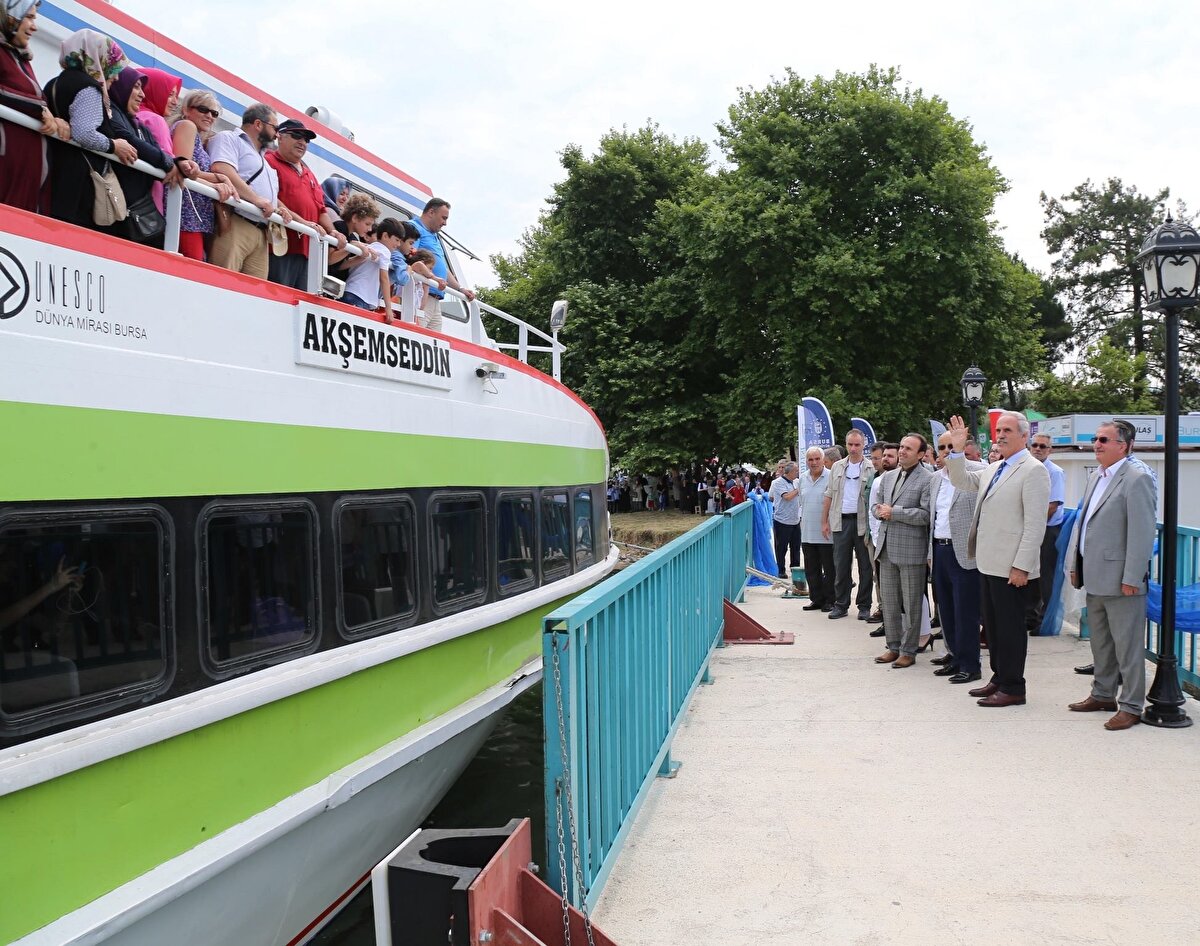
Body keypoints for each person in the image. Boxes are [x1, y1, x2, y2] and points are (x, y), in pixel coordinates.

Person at [946, 412, 1050, 708]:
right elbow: (962, 480)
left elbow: (1034, 525)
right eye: (998, 430)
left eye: (1007, 430)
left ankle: (1014, 687)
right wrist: (955, 450)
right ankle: (999, 677)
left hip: (1012, 568)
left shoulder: (1033, 470)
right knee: (992, 628)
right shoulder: (995, 468)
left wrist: (1022, 566)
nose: (1000, 435)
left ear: (1023, 435)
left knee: (1011, 629)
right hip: (988, 563)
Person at [1065, 421, 1156, 730]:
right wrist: (1075, 565)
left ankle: (1132, 705)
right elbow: (1084, 524)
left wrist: (1132, 576)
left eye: (1104, 439)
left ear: (1125, 445)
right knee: (1101, 642)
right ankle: (1103, 694)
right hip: (1095, 574)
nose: (1097, 444)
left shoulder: (1137, 478)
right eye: (1095, 438)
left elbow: (1142, 533)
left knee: (1127, 646)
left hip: (1121, 579)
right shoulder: (1097, 476)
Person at [43, 28, 137, 228]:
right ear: (97, 57)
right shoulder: (88, 87)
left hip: (54, 169)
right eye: (112, 65)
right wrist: (114, 145)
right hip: (78, 183)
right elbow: (84, 133)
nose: (116, 77)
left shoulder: (54, 83)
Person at [103, 65, 190, 246]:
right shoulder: (120, 113)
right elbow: (131, 140)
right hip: (136, 209)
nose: (142, 94)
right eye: (135, 86)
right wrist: (170, 163)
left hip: (134, 208)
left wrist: (177, 162)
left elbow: (154, 151)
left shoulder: (136, 121)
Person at [208, 102, 291, 278]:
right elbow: (222, 168)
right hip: (237, 222)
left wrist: (278, 209)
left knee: (254, 294)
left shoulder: (265, 161)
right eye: (275, 127)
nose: (277, 134)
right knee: (222, 282)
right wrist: (255, 199)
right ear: (258, 124)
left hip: (261, 233)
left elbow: (267, 196)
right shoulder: (229, 138)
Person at [929, 430, 986, 683]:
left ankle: (970, 665)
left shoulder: (979, 471)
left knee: (966, 612)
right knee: (946, 610)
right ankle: (954, 657)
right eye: (941, 447)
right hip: (940, 550)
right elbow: (935, 517)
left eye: (951, 445)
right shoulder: (935, 479)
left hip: (965, 551)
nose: (946, 451)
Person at [871, 434, 934, 668]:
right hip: (886, 549)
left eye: (909, 449)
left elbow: (927, 515)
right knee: (889, 601)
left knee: (912, 603)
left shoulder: (928, 479)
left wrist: (894, 512)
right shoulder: (887, 477)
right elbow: (877, 506)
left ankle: (909, 650)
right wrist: (880, 511)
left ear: (920, 454)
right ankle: (893, 646)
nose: (902, 452)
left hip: (911, 551)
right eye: (902, 447)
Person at [0, 0, 69, 213]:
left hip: (25, 185)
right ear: (10, 16)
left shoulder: (20, 57)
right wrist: (39, 110)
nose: (34, 26)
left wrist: (54, 118)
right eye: (28, 17)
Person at [264, 117, 346, 289]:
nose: (302, 142)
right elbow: (271, 197)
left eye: (306, 140)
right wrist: (304, 223)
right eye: (296, 136)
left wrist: (333, 231)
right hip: (281, 247)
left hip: (309, 252)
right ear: (280, 136)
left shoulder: (309, 174)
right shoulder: (270, 161)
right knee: (278, 296)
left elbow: (321, 210)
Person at [169, 89, 236, 261]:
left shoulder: (197, 135)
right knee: (193, 265)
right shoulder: (187, 126)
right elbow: (185, 168)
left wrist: (220, 178)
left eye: (214, 113)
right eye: (203, 110)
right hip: (186, 213)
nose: (209, 116)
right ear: (186, 110)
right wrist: (216, 182)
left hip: (194, 215)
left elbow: (196, 171)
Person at [822, 429, 874, 620]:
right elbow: (828, 494)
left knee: (865, 566)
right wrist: (824, 521)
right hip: (841, 521)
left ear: (863, 445)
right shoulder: (837, 467)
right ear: (846, 444)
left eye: (857, 445)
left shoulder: (870, 468)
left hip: (862, 522)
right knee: (841, 565)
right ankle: (841, 604)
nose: (853, 448)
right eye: (850, 445)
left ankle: (864, 605)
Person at [410, 197, 476, 331]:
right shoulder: (413, 227)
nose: (445, 223)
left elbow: (442, 268)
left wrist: (460, 289)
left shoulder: (434, 235)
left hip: (436, 299)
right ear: (431, 213)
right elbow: (411, 258)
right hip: (422, 296)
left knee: (434, 347)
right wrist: (432, 278)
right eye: (443, 218)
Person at [1027, 432, 1066, 633]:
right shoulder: (1028, 469)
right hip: (1031, 528)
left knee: (1046, 577)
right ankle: (1031, 617)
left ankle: (1045, 622)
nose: (1038, 449)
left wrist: (1034, 526)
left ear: (1049, 450)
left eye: (1043, 446)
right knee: (1030, 575)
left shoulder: (1055, 472)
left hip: (1047, 529)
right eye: (1035, 445)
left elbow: (1052, 506)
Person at [135, 66, 181, 212]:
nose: (175, 102)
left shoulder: (130, 115)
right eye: (169, 94)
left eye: (176, 96)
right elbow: (171, 165)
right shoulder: (155, 120)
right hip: (148, 204)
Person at [342, 217, 405, 321]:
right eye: (397, 240)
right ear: (385, 236)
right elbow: (384, 279)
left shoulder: (370, 247)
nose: (398, 245)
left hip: (350, 291)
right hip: (361, 297)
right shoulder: (385, 252)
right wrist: (388, 308)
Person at [865, 442, 897, 635]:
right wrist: (875, 538)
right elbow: (874, 511)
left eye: (889, 456)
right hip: (878, 539)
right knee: (883, 582)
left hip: (901, 542)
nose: (885, 459)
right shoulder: (877, 481)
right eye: (881, 456)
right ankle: (887, 620)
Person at [799, 448, 834, 612]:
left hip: (826, 533)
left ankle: (830, 600)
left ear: (823, 459)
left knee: (829, 569)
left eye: (817, 459)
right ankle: (816, 599)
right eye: (810, 459)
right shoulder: (803, 478)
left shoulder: (831, 476)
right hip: (807, 532)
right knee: (811, 569)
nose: (813, 463)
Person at [769, 461, 801, 579]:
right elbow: (787, 497)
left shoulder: (797, 482)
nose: (798, 472)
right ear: (790, 472)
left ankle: (796, 569)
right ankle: (781, 570)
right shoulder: (778, 483)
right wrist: (798, 490)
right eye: (796, 470)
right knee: (781, 547)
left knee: (796, 547)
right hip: (782, 520)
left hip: (795, 520)